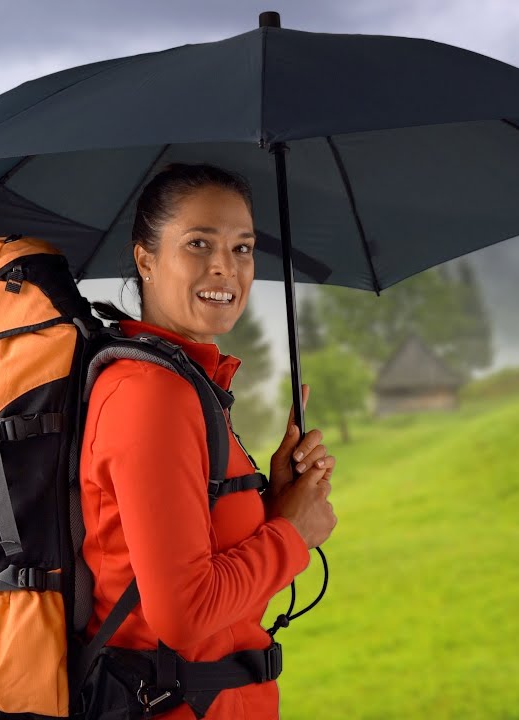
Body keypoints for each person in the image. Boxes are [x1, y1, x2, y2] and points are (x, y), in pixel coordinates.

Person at [80, 162, 338, 719]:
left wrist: (274, 509)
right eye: (199, 243)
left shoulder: (185, 386)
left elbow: (214, 578)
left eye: (243, 248)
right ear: (145, 259)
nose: (226, 267)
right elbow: (185, 614)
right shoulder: (152, 395)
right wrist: (293, 534)